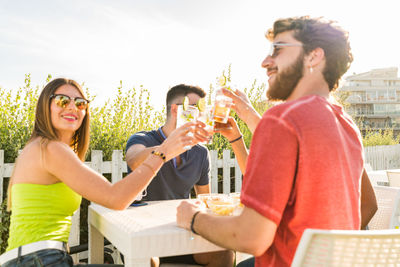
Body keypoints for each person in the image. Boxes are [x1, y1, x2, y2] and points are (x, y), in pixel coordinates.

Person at [177, 16, 374, 267]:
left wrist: (193, 218)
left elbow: (251, 237)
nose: (265, 62)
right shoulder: (348, 126)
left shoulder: (282, 119)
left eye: (279, 50)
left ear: (313, 56)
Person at [1, 78, 207, 267]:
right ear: (45, 106)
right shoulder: (49, 148)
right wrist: (163, 152)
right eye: (63, 100)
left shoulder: (48, 148)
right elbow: (116, 198)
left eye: (80, 103)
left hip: (42, 257)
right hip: (36, 260)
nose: (72, 106)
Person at [125, 84, 234, 266]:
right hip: (144, 236)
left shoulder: (200, 153)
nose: (201, 115)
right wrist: (170, 148)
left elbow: (204, 199)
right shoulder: (142, 139)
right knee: (149, 258)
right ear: (176, 110)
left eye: (202, 110)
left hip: (182, 237)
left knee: (224, 251)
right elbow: (134, 161)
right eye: (195, 109)